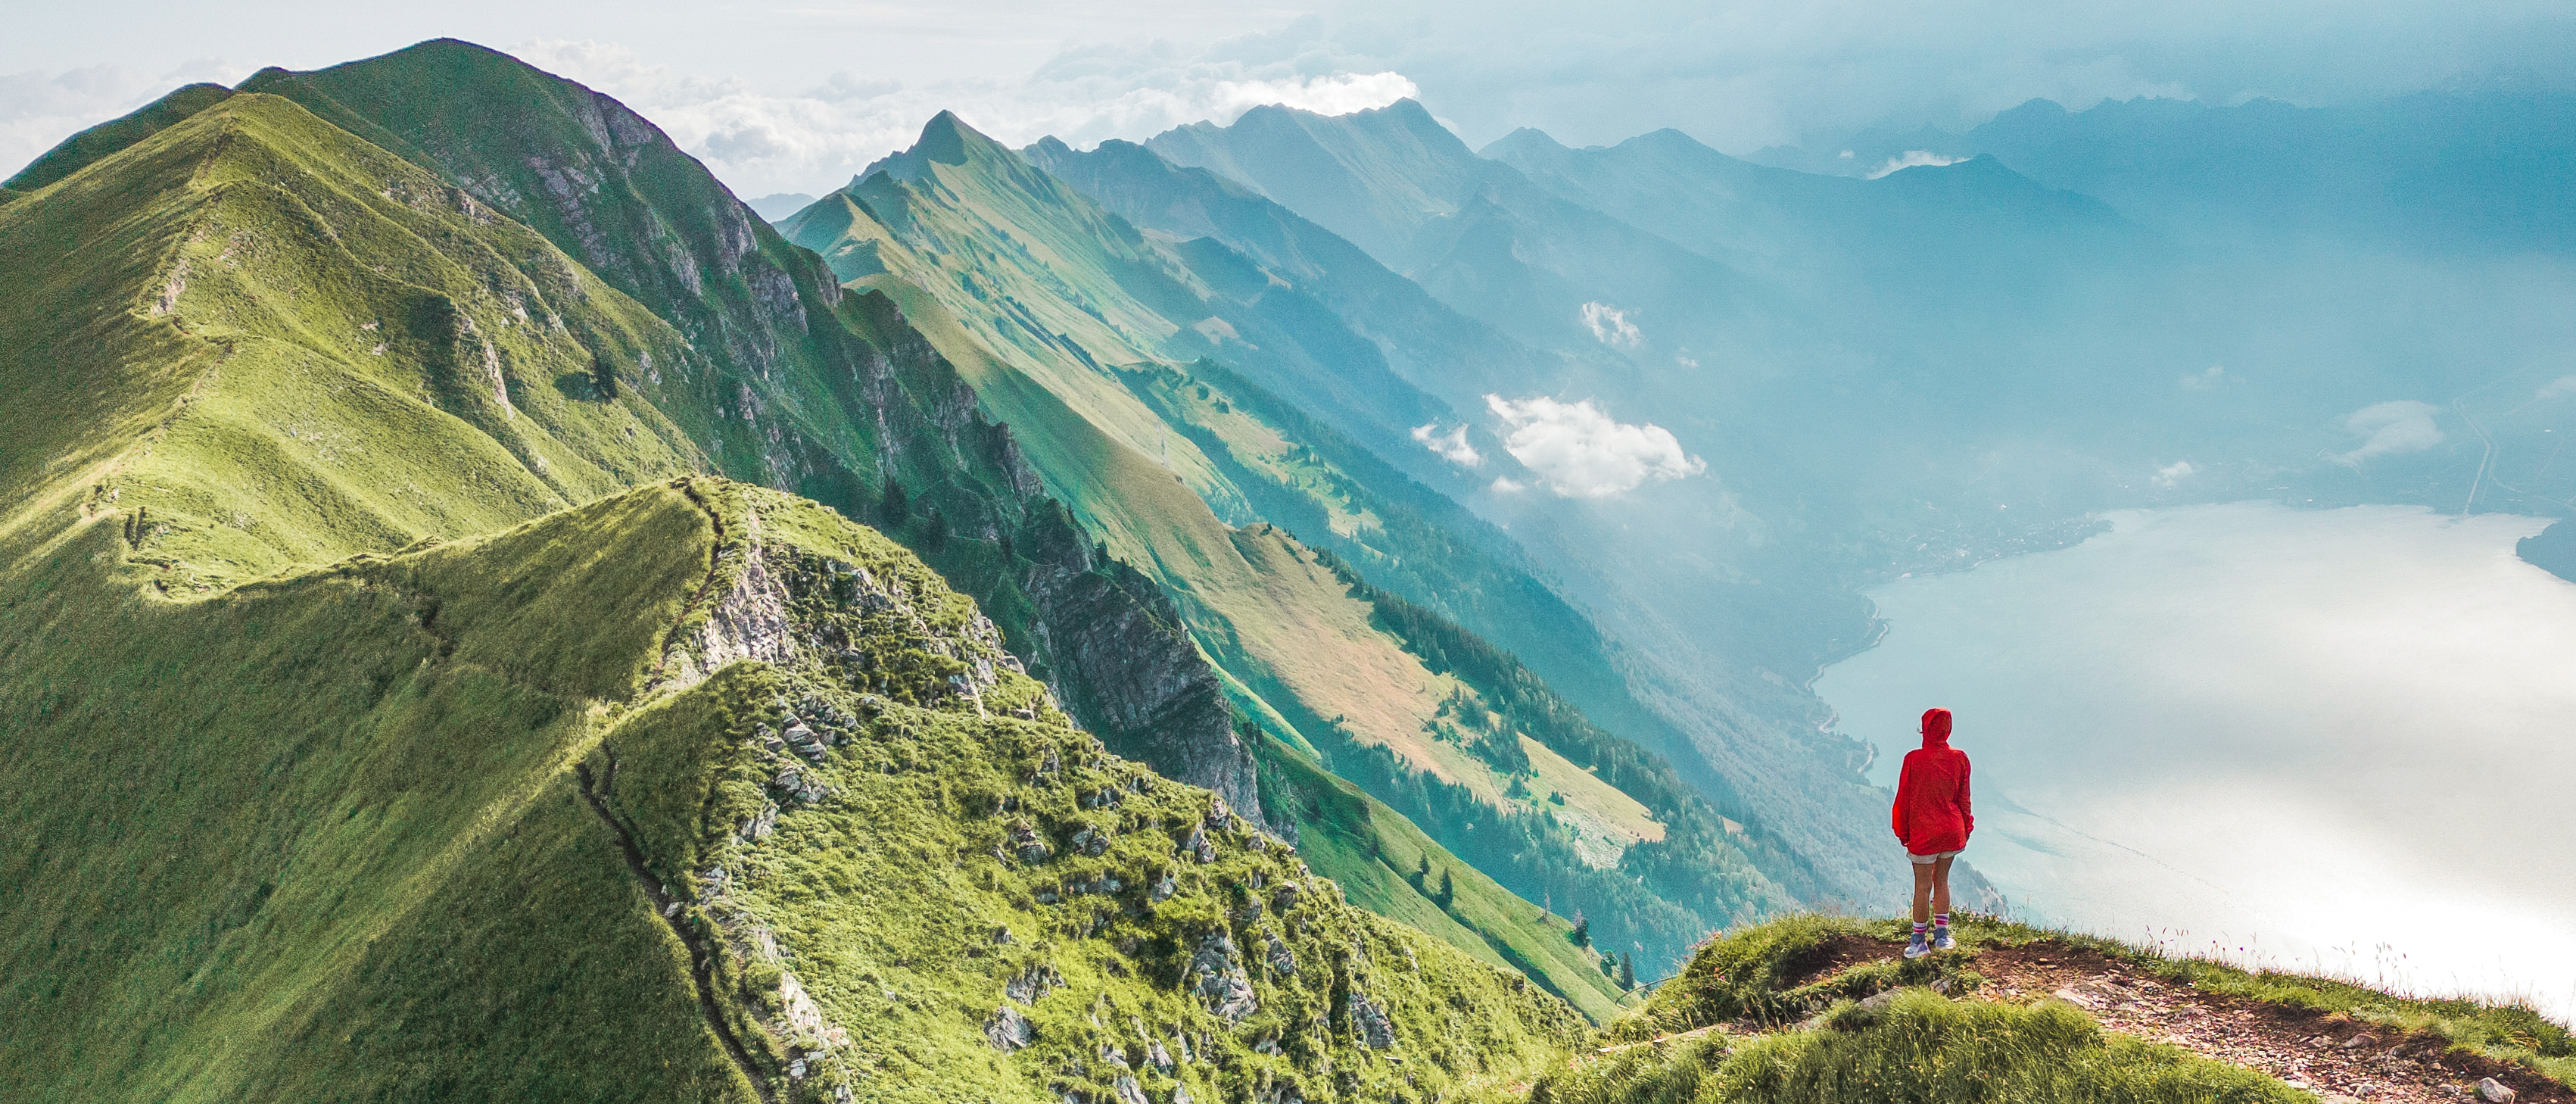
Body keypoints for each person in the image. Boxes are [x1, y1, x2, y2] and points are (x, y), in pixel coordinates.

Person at [1892, 706, 1973, 959]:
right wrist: (1966, 827)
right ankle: (1942, 937)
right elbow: (1964, 799)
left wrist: (1903, 832)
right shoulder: (1960, 758)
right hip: (1951, 830)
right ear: (1947, 730)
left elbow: (1903, 800)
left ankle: (1918, 942)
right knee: (1942, 881)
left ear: (1924, 729)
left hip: (1924, 833)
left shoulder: (1913, 760)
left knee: (1922, 885)